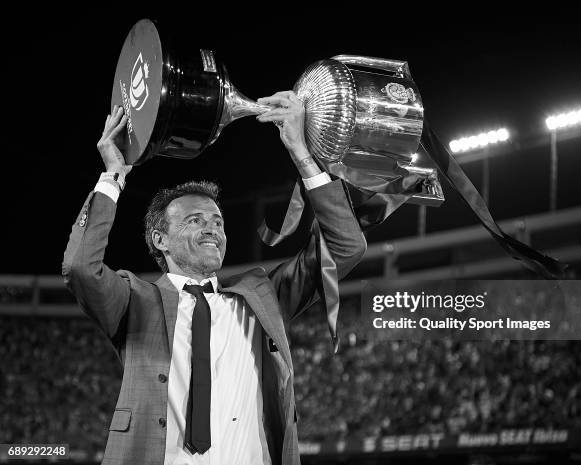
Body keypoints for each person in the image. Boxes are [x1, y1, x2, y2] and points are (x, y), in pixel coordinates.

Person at [62, 91, 366, 465]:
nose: (212, 229)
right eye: (196, 220)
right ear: (161, 240)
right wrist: (112, 175)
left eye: (218, 221)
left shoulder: (263, 297)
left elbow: (346, 248)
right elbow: (79, 267)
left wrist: (302, 155)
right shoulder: (132, 301)